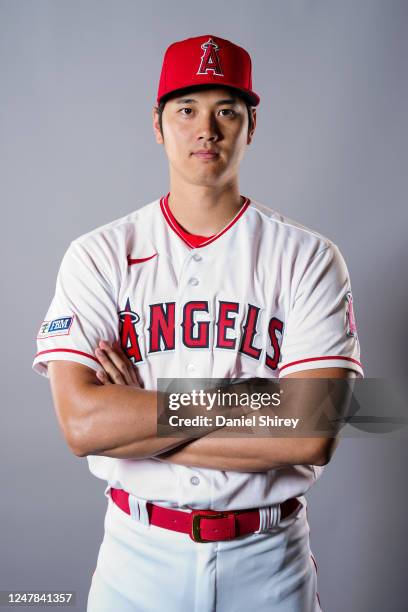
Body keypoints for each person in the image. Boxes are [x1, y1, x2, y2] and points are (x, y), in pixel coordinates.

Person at [32, 34, 363, 611]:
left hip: (269, 560)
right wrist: (251, 403)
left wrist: (137, 420)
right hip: (137, 557)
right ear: (158, 124)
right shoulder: (99, 254)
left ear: (250, 126)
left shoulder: (308, 257)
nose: (205, 129)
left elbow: (312, 430)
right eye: (186, 110)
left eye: (225, 111)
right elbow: (83, 425)